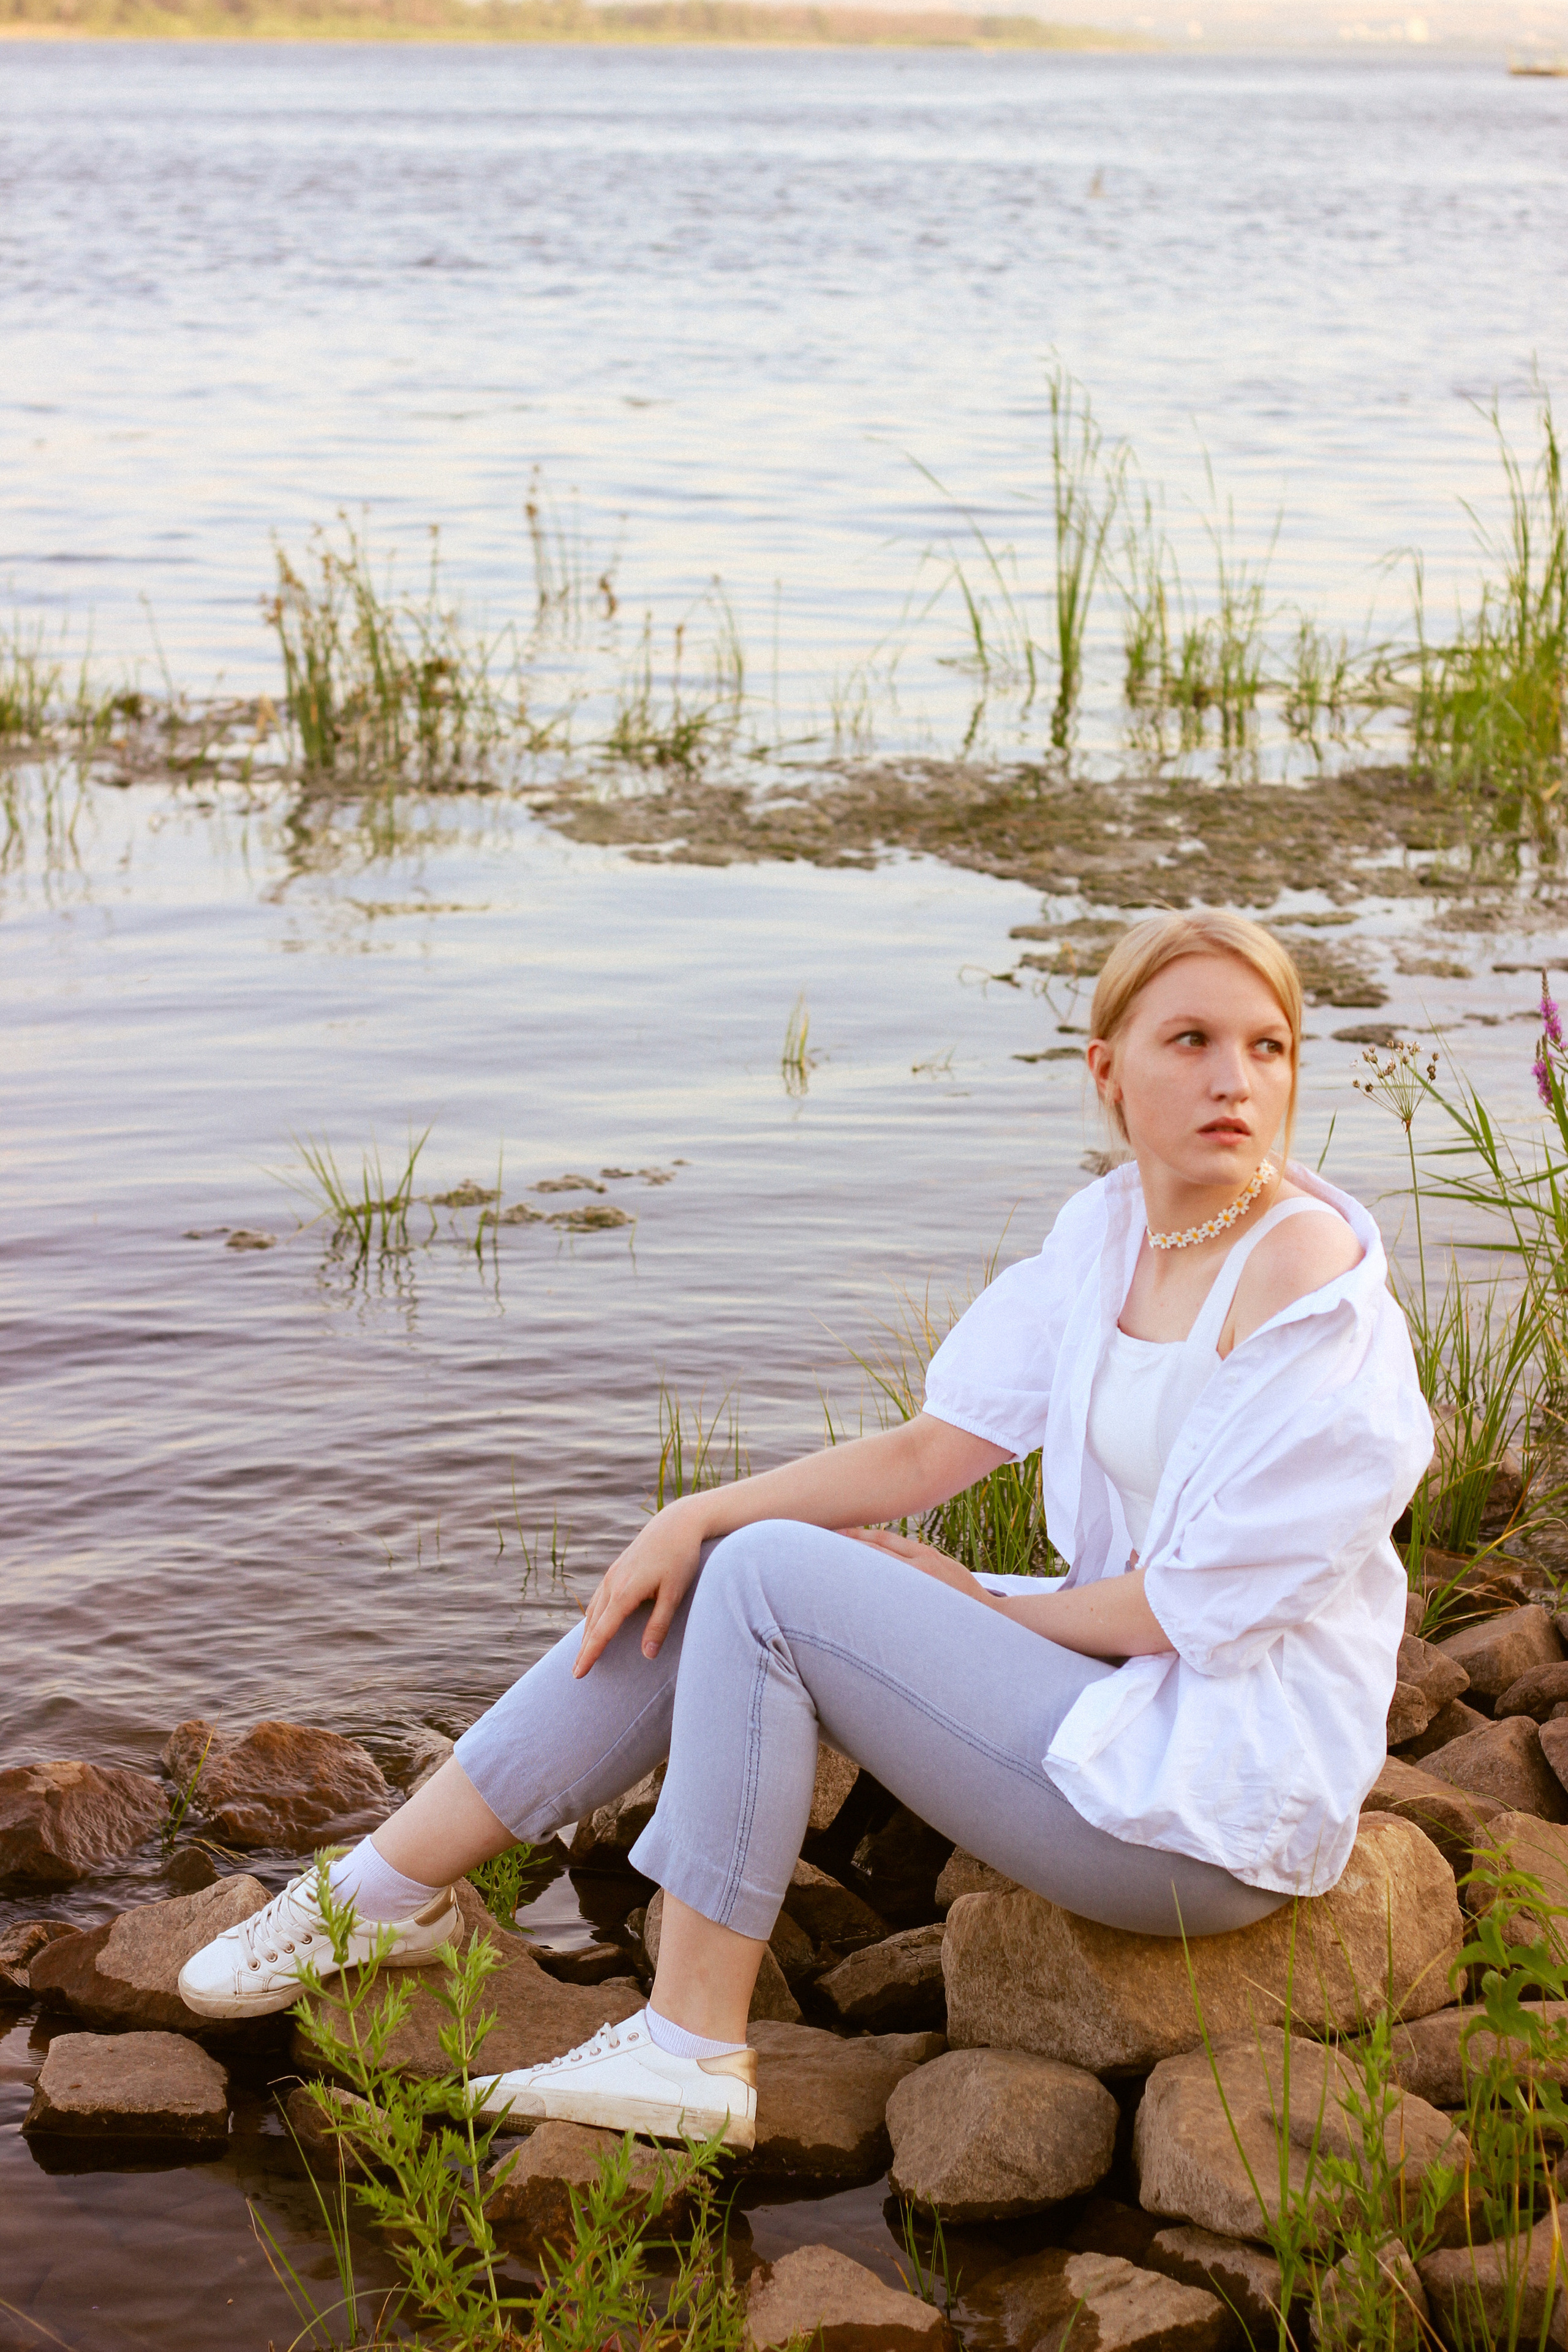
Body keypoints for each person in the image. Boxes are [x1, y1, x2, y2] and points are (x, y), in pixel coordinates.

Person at [178, 910, 1433, 2153]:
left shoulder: (1305, 1276)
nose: (1233, 1080)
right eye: (1191, 1040)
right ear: (1103, 1069)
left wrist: (989, 1612)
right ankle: (379, 1893)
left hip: (1215, 1806)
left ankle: (688, 2042)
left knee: (774, 1585)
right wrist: (694, 1510)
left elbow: (1197, 1604)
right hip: (1130, 1693)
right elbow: (931, 1452)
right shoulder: (1110, 1234)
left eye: (1267, 1048)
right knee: (729, 1562)